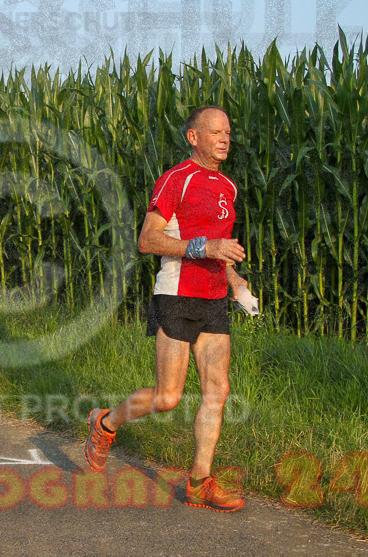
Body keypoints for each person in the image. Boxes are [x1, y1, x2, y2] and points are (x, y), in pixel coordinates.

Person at [83, 105, 256, 513]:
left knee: (218, 390)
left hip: (213, 298)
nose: (225, 138)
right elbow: (148, 241)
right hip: (177, 295)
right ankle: (106, 422)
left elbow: (220, 250)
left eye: (228, 132)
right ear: (194, 137)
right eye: (215, 132)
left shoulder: (228, 187)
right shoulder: (177, 179)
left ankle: (198, 481)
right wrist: (205, 247)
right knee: (167, 398)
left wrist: (235, 281)